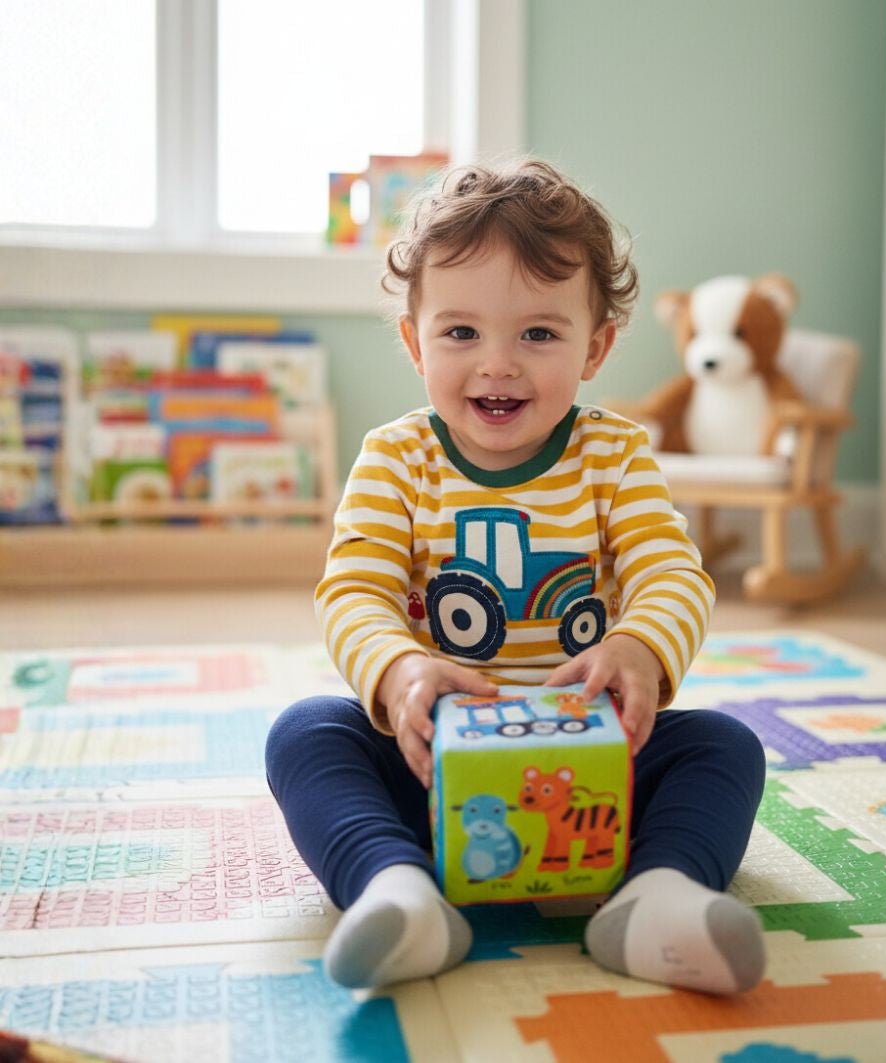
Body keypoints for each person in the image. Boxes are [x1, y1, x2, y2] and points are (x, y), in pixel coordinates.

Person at [265, 158, 767, 996]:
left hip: (593, 770)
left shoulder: (614, 455)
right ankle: (397, 890)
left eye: (537, 333)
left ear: (595, 346)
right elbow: (353, 590)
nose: (497, 364)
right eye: (460, 333)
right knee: (308, 732)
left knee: (724, 746)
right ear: (413, 342)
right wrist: (400, 670)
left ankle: (653, 898)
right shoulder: (397, 460)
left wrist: (640, 645)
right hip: (428, 764)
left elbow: (670, 571)